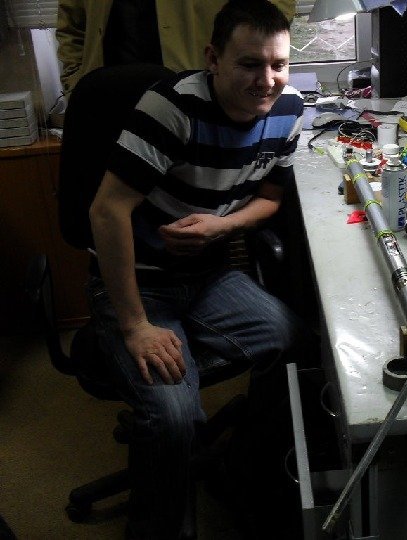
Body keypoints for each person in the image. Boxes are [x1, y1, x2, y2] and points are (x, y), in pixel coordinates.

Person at [87, 1, 305, 537]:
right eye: (249, 64)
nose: (267, 80)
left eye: (278, 64)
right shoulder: (172, 107)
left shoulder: (289, 107)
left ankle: (241, 463)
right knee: (173, 416)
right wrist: (136, 326)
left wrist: (222, 227)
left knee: (291, 339)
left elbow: (270, 199)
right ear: (213, 58)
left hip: (208, 276)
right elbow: (106, 210)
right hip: (140, 282)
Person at [56, 0, 297, 94]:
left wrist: (245, 74)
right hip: (109, 101)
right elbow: (72, 24)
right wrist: (75, 82)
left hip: (199, 96)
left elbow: (275, 9)